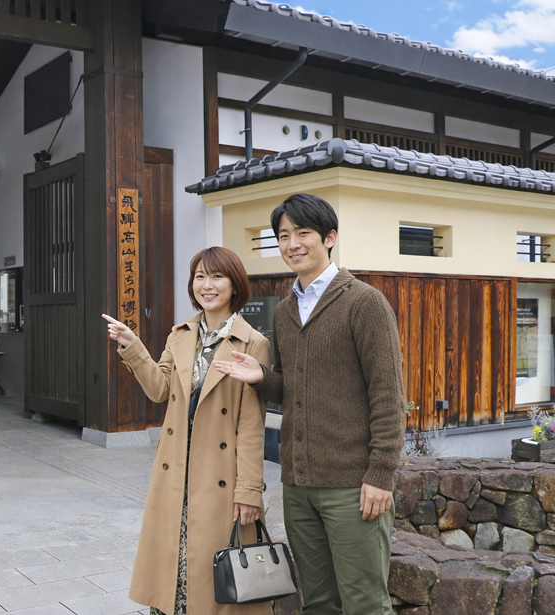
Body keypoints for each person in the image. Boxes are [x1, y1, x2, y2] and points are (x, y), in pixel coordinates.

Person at [213, 193, 405, 615]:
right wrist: (262, 378)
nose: (292, 243)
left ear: (329, 238)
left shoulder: (364, 302)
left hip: (352, 487)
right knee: (317, 602)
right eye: (284, 235)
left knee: (365, 604)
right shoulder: (284, 312)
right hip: (298, 487)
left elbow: (389, 396)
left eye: (303, 233)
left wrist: (380, 474)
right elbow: (295, 389)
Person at [103, 246, 271, 615]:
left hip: (219, 476)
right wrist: (132, 347)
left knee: (213, 570)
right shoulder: (180, 334)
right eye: (200, 277)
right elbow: (160, 388)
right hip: (175, 470)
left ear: (234, 284)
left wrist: (249, 491)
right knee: (172, 562)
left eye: (216, 277)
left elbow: (250, 425)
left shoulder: (253, 342)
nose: (206, 286)